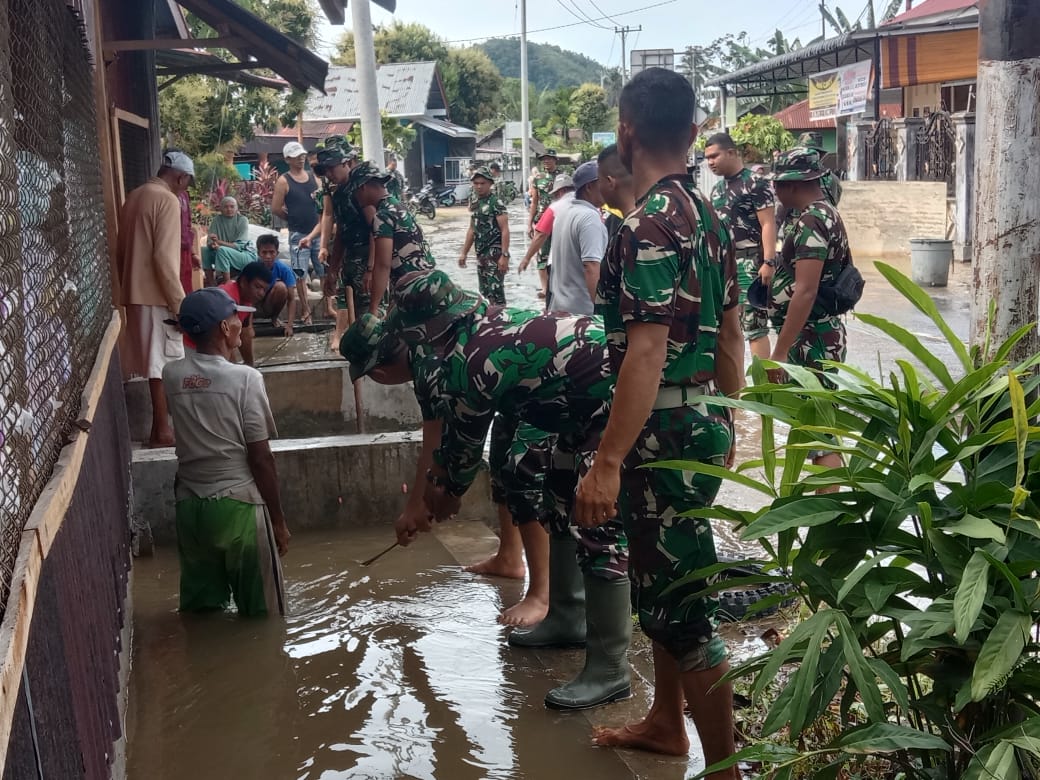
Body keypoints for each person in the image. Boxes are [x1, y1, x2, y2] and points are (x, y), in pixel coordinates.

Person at [575, 67, 744, 775]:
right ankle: (666, 722)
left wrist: (607, 461)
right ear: (696, 134)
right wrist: (729, 427)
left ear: (626, 132)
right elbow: (732, 336)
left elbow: (645, 354)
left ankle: (727, 769)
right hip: (699, 421)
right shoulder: (709, 216)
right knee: (667, 585)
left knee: (686, 611)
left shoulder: (647, 223)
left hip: (660, 431)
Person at [376, 270, 633, 712]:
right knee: (558, 502)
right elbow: (458, 444)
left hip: (610, 405)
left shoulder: (471, 360)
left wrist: (438, 499)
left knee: (598, 527)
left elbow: (461, 457)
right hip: (571, 413)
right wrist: (432, 496)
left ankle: (610, 669)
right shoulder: (482, 327)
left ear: (424, 332)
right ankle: (568, 617)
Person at [163, 287, 290, 617]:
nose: (240, 323)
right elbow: (261, 458)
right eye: (236, 317)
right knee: (266, 619)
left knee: (203, 615)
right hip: (238, 509)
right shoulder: (246, 379)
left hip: (190, 508)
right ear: (223, 328)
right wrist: (278, 521)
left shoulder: (171, 375)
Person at [764, 147, 848, 480]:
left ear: (793, 184)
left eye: (778, 184)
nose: (775, 191)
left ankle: (824, 515)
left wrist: (781, 350)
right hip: (815, 332)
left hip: (812, 337)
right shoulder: (823, 212)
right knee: (815, 428)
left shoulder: (813, 220)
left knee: (820, 432)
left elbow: (806, 290)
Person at [116, 150, 194, 447]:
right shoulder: (167, 200)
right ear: (181, 177)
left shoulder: (134, 196)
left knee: (153, 363)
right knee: (163, 363)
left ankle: (158, 430)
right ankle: (163, 430)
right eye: (186, 182)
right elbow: (164, 259)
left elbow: (121, 251)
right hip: (156, 294)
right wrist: (179, 304)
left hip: (134, 292)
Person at [705, 131, 779, 360]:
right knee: (726, 326)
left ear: (732, 152)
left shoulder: (755, 183)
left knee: (754, 327)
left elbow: (768, 222)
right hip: (723, 265)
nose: (710, 163)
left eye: (714, 156)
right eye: (707, 158)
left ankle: (763, 387)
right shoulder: (717, 190)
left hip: (750, 262)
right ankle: (734, 384)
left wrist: (768, 261)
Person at [349, 161, 436, 312]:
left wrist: (373, 307)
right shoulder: (399, 206)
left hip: (410, 287)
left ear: (362, 187)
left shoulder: (382, 216)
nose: (356, 198)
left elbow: (383, 265)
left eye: (355, 192)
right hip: (428, 279)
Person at [547, 160, 607, 316]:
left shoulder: (564, 212)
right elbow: (591, 266)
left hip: (559, 309)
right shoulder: (589, 218)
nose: (608, 186)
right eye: (603, 181)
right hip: (583, 313)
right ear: (589, 187)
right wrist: (601, 310)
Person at [272, 141, 321, 326]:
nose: (300, 159)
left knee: (322, 269)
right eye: (296, 157)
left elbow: (322, 203)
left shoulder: (313, 177)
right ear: (287, 159)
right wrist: (291, 218)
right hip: (297, 233)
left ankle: (329, 305)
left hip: (316, 232)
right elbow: (276, 208)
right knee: (300, 273)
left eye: (302, 156)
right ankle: (306, 309)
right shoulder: (284, 180)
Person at [517, 174, 575, 306]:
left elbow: (540, 235)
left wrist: (526, 258)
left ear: (560, 192)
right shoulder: (590, 206)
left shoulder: (555, 207)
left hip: (559, 265)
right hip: (586, 264)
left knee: (555, 307)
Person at [459, 165, 510, 305]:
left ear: (490, 184)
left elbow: (505, 229)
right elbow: (472, 229)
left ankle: (500, 323)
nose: (479, 186)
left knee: (496, 293)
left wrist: (504, 256)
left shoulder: (496, 203)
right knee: (484, 294)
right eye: (476, 183)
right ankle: (488, 323)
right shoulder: (475, 203)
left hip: (495, 254)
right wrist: (464, 253)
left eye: (483, 183)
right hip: (480, 254)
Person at [219, 261, 272, 366]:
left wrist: (250, 366)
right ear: (243, 282)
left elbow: (245, 333)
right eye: (257, 287)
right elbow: (224, 342)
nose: (261, 293)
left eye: (264, 289)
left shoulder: (247, 300)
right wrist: (234, 370)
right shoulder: (226, 299)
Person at [527, 149, 560, 299]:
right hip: (541, 220)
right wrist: (529, 224)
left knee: (561, 254)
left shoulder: (563, 178)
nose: (546, 161)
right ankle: (545, 289)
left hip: (560, 220)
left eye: (549, 159)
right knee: (541, 255)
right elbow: (534, 202)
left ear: (555, 160)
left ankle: (559, 287)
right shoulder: (537, 179)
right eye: (544, 159)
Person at [201, 196, 256, 285]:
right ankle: (211, 283)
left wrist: (218, 242)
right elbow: (210, 242)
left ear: (236, 208)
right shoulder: (216, 220)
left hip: (243, 254)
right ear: (221, 208)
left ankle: (227, 284)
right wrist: (213, 245)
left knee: (222, 250)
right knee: (204, 250)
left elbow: (239, 246)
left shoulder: (242, 220)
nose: (229, 209)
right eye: (226, 207)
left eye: (232, 206)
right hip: (222, 252)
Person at [254, 234, 296, 335]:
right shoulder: (253, 268)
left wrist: (289, 325)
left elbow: (292, 299)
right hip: (254, 306)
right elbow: (245, 296)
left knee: (281, 287)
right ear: (258, 253)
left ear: (277, 253)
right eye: (264, 252)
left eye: (271, 252)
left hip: (269, 306)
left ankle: (274, 318)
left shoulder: (284, 269)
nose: (268, 256)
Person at [597, 144, 636, 236]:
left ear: (610, 182)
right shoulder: (655, 217)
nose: (598, 187)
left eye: (599, 180)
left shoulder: (631, 229)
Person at [178, 187, 200, 295]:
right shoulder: (166, 197)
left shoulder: (184, 195)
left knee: (186, 286)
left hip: (185, 250)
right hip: (172, 250)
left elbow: (187, 225)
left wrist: (192, 253)